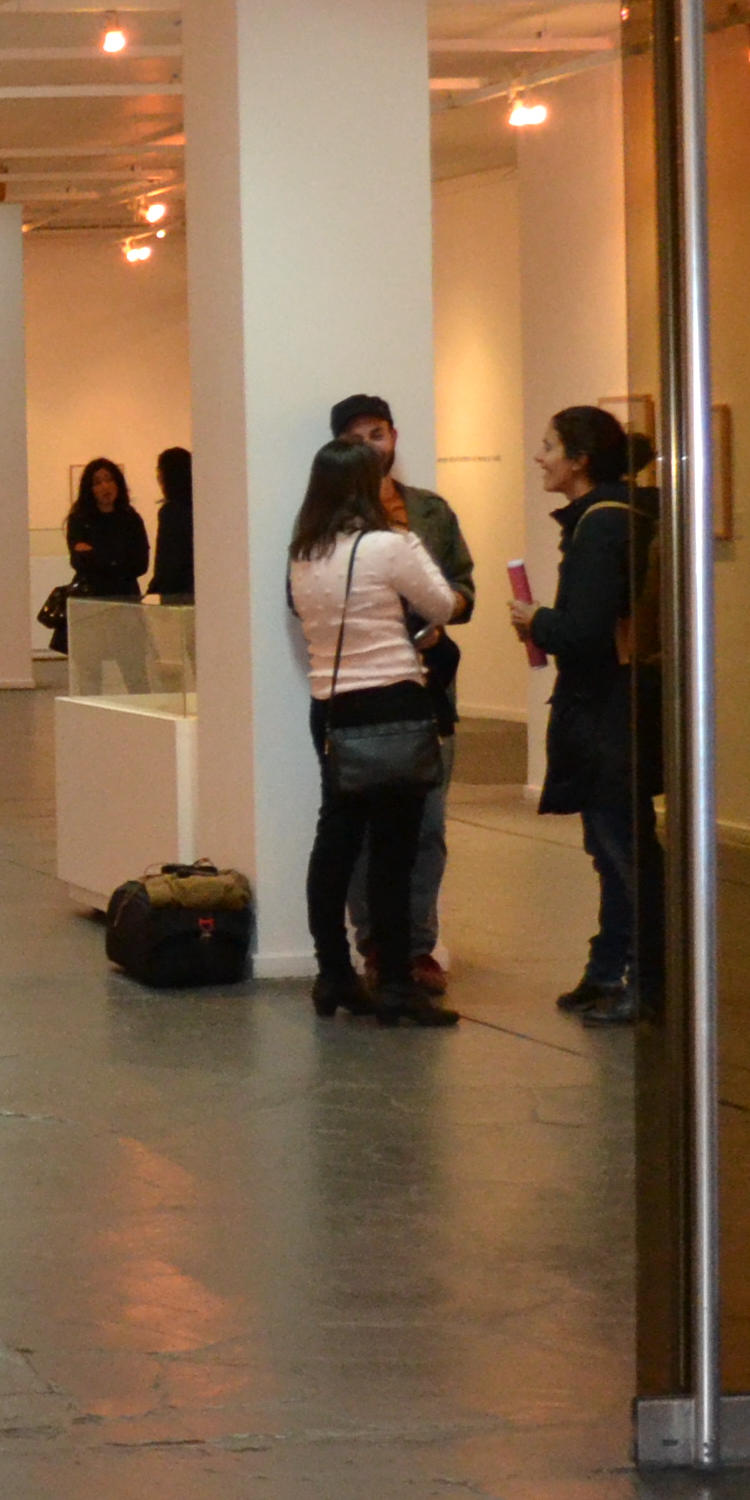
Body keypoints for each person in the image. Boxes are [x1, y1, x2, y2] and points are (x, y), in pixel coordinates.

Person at [286, 434, 465, 1029]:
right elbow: (442, 605)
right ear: (367, 487)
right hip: (392, 703)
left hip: (332, 707)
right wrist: (409, 539)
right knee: (394, 849)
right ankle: (394, 984)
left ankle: (333, 972)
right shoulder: (389, 546)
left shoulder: (304, 554)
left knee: (336, 841)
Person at [328, 393, 474, 994]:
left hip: (429, 686)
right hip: (362, 689)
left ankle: (417, 946)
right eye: (357, 436)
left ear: (394, 437)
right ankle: (374, 945)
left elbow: (462, 588)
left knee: (429, 826)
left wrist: (442, 613)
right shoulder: (328, 519)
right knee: (361, 829)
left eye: (379, 433)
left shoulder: (430, 512)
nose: (372, 446)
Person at [510, 405, 645, 1026]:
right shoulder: (619, 516)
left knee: (622, 850)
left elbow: (586, 633)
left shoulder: (599, 527)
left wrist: (536, 620)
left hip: (606, 712)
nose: (540, 457)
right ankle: (608, 970)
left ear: (580, 459)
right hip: (617, 706)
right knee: (612, 847)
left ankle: (643, 978)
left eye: (549, 445)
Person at [64, 456, 148, 605]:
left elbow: (140, 564)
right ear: (90, 489)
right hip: (90, 597)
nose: (105, 486)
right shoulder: (80, 519)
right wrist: (116, 558)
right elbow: (79, 562)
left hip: (126, 596)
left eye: (109, 480)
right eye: (97, 483)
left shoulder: (131, 518)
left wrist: (95, 553)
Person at [149, 445, 196, 603]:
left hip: (177, 594)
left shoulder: (171, 512)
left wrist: (155, 590)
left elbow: (168, 561)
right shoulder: (201, 508)